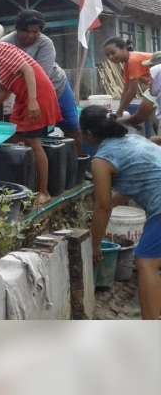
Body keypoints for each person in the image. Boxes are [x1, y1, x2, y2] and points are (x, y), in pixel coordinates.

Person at [0, 23, 62, 204]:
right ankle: (19, 184)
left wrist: (33, 101)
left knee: (34, 142)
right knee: (12, 137)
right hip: (23, 97)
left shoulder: (1, 48)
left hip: (37, 94)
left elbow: (28, 70)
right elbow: (5, 89)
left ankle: (44, 191)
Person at [81, 106, 161, 319]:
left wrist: (95, 244)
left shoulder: (101, 159)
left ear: (88, 134)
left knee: (146, 263)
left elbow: (103, 207)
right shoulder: (134, 139)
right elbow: (126, 190)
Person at [1, 10, 83, 152]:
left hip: (57, 86)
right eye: (27, 32)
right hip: (26, 93)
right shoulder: (5, 43)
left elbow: (41, 77)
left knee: (71, 125)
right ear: (17, 29)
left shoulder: (45, 43)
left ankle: (78, 160)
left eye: (36, 32)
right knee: (29, 131)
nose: (31, 36)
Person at [103, 36, 153, 118]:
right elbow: (126, 89)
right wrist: (120, 109)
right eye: (107, 55)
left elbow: (132, 91)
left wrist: (119, 112)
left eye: (113, 53)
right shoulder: (127, 64)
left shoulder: (133, 60)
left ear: (123, 48)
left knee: (140, 115)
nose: (110, 57)